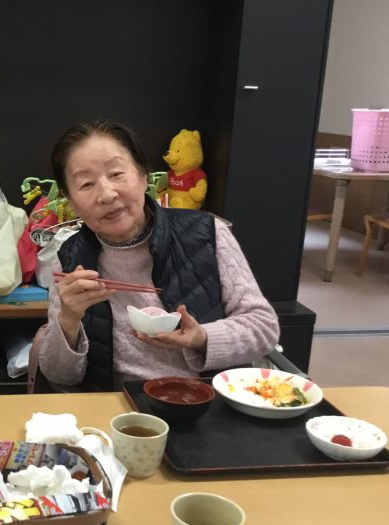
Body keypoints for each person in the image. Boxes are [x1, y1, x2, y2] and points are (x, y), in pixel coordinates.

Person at [37, 120, 279, 391]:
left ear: (144, 176)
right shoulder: (69, 259)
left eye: (116, 174)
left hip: (207, 400)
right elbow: (60, 375)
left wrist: (201, 338)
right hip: (119, 405)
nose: (106, 194)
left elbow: (264, 328)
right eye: (86, 184)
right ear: (70, 201)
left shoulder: (207, 234)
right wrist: (68, 320)